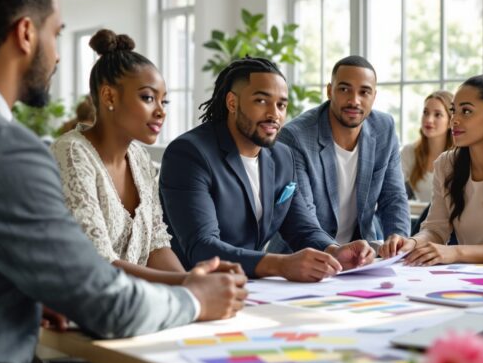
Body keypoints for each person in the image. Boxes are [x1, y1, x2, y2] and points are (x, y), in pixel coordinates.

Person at [0, 0, 246, 363]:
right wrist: (196, 299)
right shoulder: (2, 147)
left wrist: (21, 292)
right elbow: (107, 305)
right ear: (26, 33)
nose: (58, 55)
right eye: (56, 34)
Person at [159, 57, 374, 282]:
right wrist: (280, 264)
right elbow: (201, 247)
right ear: (232, 103)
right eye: (261, 101)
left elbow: (301, 227)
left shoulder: (282, 156)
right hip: (191, 287)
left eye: (281, 105)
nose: (274, 114)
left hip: (253, 288)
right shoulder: (189, 154)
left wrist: (334, 251)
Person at [52, 29, 226, 284]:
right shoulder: (71, 152)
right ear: (109, 96)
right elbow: (96, 260)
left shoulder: (139, 158)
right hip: (76, 309)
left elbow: (156, 244)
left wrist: (197, 284)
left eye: (163, 102)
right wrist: (187, 283)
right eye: (148, 97)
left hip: (135, 304)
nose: (160, 112)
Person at [379, 65, 483, 265]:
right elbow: (435, 229)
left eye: (466, 111)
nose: (454, 120)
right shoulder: (446, 163)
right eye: (453, 111)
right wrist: (410, 243)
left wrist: (455, 253)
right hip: (465, 276)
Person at [277, 55, 410, 247]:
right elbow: (304, 216)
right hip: (303, 256)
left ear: (374, 96)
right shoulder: (296, 137)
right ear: (330, 91)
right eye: (345, 89)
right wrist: (335, 253)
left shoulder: (384, 128)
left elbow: (394, 196)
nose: (354, 101)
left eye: (364, 92)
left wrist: (398, 237)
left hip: (360, 254)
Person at [400, 90, 454, 202]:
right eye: (425, 112)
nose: (429, 120)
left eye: (437, 114)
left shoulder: (460, 156)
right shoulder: (409, 152)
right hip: (420, 218)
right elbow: (392, 187)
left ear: (450, 122)